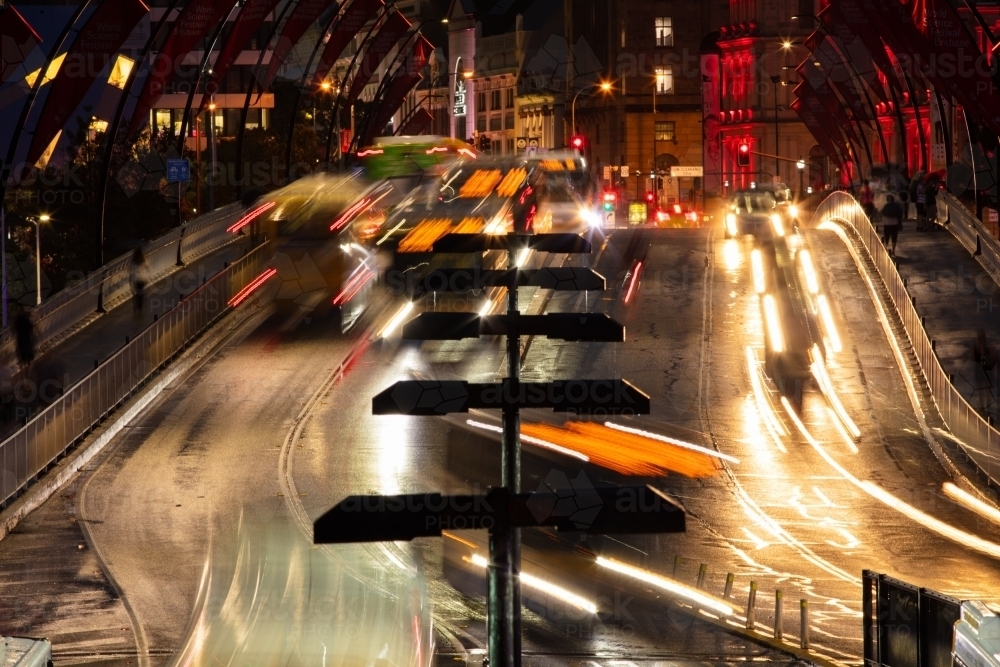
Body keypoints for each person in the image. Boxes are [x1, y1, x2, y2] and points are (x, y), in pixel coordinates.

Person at [972, 328, 997, 415]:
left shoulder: (988, 349)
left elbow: (991, 359)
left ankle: (987, 406)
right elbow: (973, 359)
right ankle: (982, 406)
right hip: (979, 371)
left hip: (986, 371)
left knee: (987, 389)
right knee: (980, 389)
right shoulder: (976, 349)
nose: (980, 341)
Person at [129, 247, 151, 314]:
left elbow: (131, 270)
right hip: (142, 278)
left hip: (135, 279)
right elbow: (148, 268)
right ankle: (140, 306)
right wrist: (147, 277)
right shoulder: (143, 260)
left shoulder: (133, 261)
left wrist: (130, 280)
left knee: (136, 292)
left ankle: (136, 304)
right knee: (141, 292)